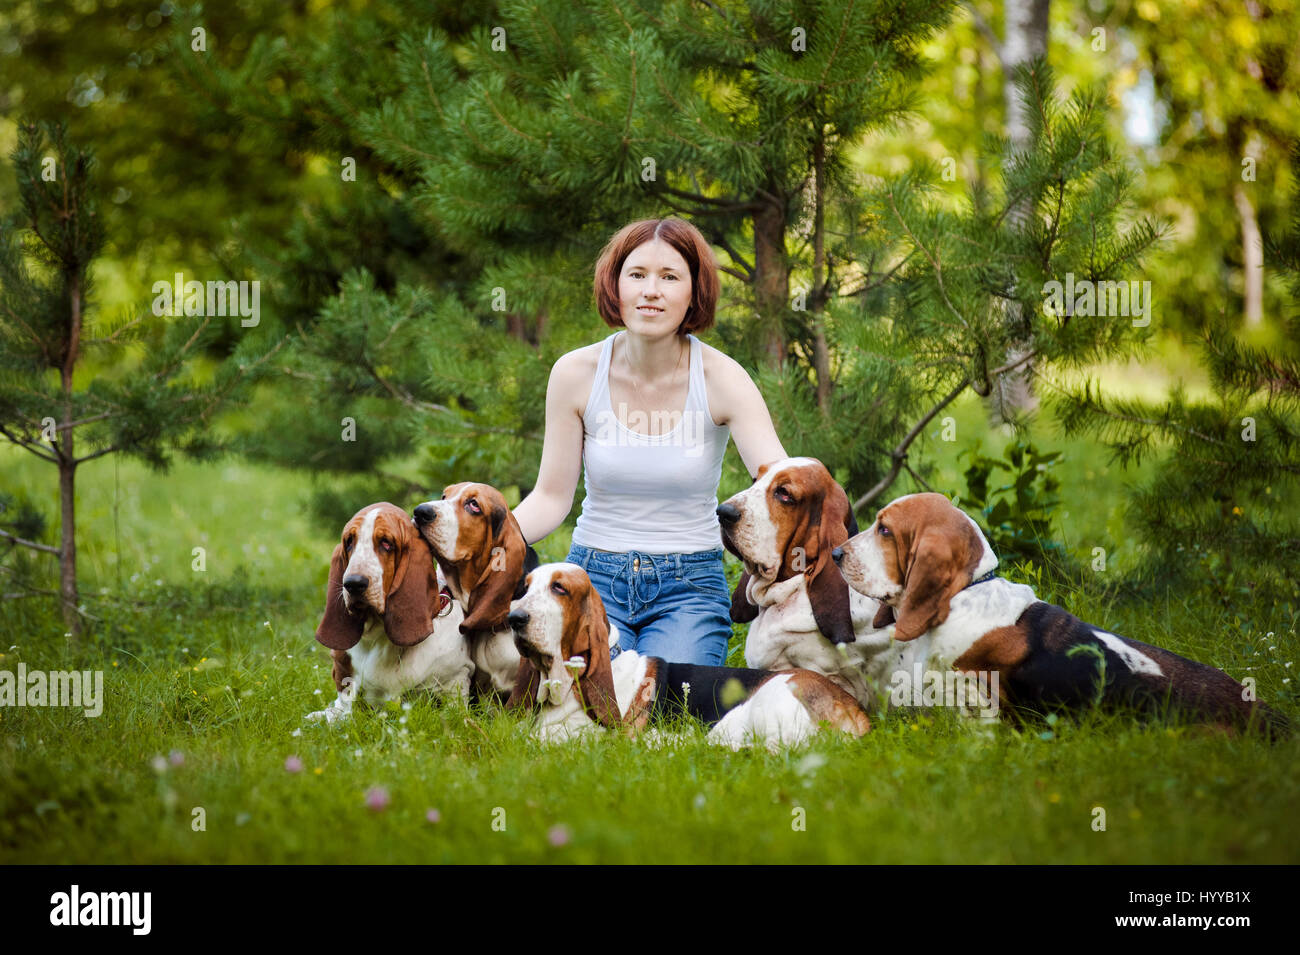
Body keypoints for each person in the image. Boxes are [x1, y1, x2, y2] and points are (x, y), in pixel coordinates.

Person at [512, 217, 787, 666]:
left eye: (670, 277)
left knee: (664, 709)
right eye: (636, 275)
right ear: (615, 285)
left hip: (690, 588)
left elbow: (781, 488)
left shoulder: (723, 379)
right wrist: (487, 544)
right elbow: (550, 497)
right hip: (591, 577)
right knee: (591, 702)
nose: (650, 290)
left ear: (694, 292)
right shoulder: (575, 373)